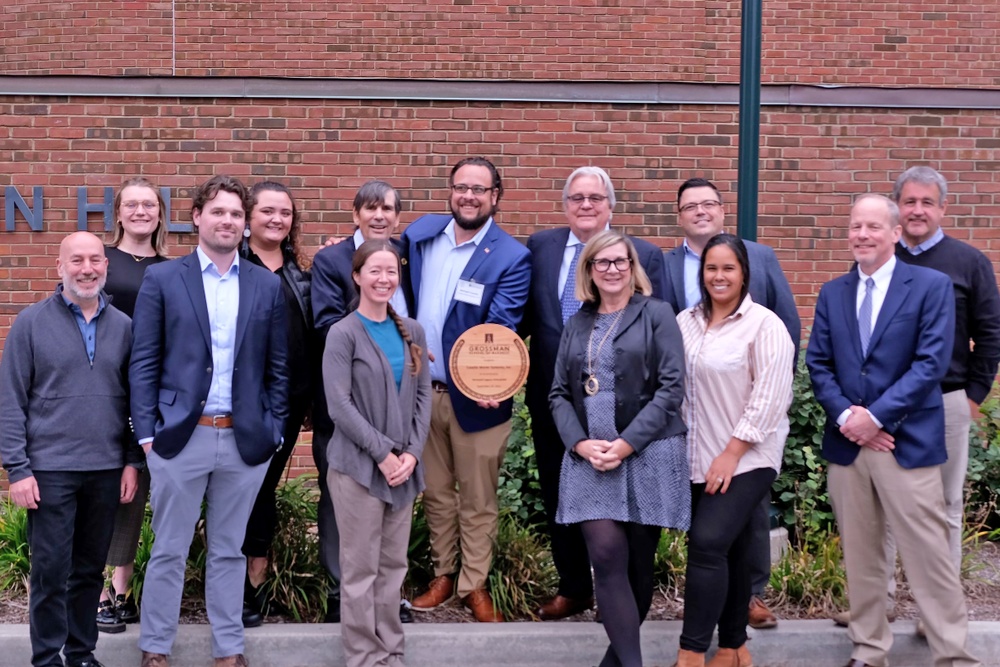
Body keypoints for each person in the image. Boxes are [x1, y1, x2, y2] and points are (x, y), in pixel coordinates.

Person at [806, 194, 979, 667]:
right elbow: (818, 364)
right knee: (862, 558)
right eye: (855, 226)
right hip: (849, 446)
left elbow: (931, 363)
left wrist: (877, 417)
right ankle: (868, 650)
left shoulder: (929, 286)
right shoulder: (832, 292)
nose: (862, 235)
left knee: (928, 556)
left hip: (905, 442)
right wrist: (848, 418)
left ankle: (953, 654)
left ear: (896, 233)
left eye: (873, 227)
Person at [830, 167, 1000, 631]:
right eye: (909, 201)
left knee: (941, 511)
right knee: (875, 510)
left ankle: (937, 615)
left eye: (928, 202)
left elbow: (989, 333)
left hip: (941, 405)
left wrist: (974, 397)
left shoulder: (968, 262)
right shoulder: (871, 262)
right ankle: (875, 605)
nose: (918, 210)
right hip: (876, 413)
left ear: (943, 208)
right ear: (897, 213)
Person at [129, 175, 289, 667]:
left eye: (236, 215)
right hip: (180, 439)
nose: (228, 221)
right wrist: (149, 434)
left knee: (229, 551)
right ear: (196, 217)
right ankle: (156, 646)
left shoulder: (265, 283)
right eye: (218, 212)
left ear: (245, 226)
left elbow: (278, 368)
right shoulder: (163, 279)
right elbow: (144, 362)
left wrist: (273, 428)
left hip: (244, 442)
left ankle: (229, 648)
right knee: (169, 551)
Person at [521, 165, 667, 621]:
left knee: (627, 501)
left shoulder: (641, 253)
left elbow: (660, 329)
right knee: (561, 494)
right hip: (557, 400)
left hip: (626, 406)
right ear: (565, 205)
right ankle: (574, 588)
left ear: (611, 206)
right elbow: (520, 319)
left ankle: (620, 596)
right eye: (577, 198)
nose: (586, 205)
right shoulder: (540, 247)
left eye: (595, 198)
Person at [662, 176, 800, 629]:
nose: (719, 276)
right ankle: (734, 644)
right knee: (727, 541)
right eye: (690, 206)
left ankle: (740, 608)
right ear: (679, 216)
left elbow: (787, 331)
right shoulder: (676, 294)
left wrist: (768, 395)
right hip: (697, 438)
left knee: (721, 535)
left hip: (745, 440)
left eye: (709, 204)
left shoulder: (762, 293)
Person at [0, 231, 140, 667]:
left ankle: (81, 653)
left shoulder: (124, 326)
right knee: (50, 571)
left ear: (105, 265)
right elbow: (11, 399)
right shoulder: (31, 323)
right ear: (59, 268)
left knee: (87, 570)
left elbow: (135, 399)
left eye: (95, 259)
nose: (87, 268)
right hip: (49, 471)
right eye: (76, 260)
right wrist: (17, 469)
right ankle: (46, 658)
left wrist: (132, 460)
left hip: (105, 469)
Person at [549, 230, 688, 667]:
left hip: (648, 448)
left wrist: (626, 444)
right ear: (589, 270)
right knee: (606, 554)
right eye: (602, 263)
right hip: (589, 454)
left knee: (639, 567)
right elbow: (557, 393)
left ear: (633, 268)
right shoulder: (577, 321)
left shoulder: (657, 313)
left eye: (620, 262)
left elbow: (671, 388)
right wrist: (580, 442)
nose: (612, 270)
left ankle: (617, 661)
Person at [403, 156, 531, 623]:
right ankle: (442, 575)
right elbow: (374, 260)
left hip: (479, 396)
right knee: (436, 492)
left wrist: (489, 378)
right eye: (461, 187)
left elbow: (503, 323)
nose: (469, 196)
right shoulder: (420, 236)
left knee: (478, 498)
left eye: (480, 189)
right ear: (450, 191)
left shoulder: (511, 256)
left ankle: (472, 584)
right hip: (422, 394)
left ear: (496, 196)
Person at [323, 239, 431, 667]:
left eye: (391, 272)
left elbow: (423, 399)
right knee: (361, 571)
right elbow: (339, 405)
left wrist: (412, 454)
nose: (384, 279)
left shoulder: (413, 331)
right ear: (357, 276)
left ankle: (392, 652)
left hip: (403, 470)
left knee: (392, 570)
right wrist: (383, 453)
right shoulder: (343, 333)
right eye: (375, 271)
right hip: (358, 471)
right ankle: (363, 657)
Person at [310, 180, 412, 623]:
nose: (379, 216)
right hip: (348, 405)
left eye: (387, 209)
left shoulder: (406, 255)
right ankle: (342, 593)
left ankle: (388, 600)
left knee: (393, 503)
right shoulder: (332, 260)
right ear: (355, 214)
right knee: (341, 501)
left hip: (400, 408)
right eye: (370, 208)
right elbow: (326, 322)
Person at [95, 177, 170, 635]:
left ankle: (122, 590)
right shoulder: (100, 260)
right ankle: (99, 590)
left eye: (150, 204)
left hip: (151, 392)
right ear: (118, 213)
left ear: (160, 213)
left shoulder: (172, 268)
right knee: (105, 487)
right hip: (103, 386)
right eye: (132, 204)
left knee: (135, 487)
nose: (141, 211)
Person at [238, 181, 314, 628]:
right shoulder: (233, 267)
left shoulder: (298, 274)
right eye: (267, 211)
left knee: (263, 489)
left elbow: (308, 335)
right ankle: (230, 583)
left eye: (285, 213)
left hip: (288, 401)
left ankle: (255, 586)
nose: (276, 219)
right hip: (240, 402)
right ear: (249, 217)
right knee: (241, 490)